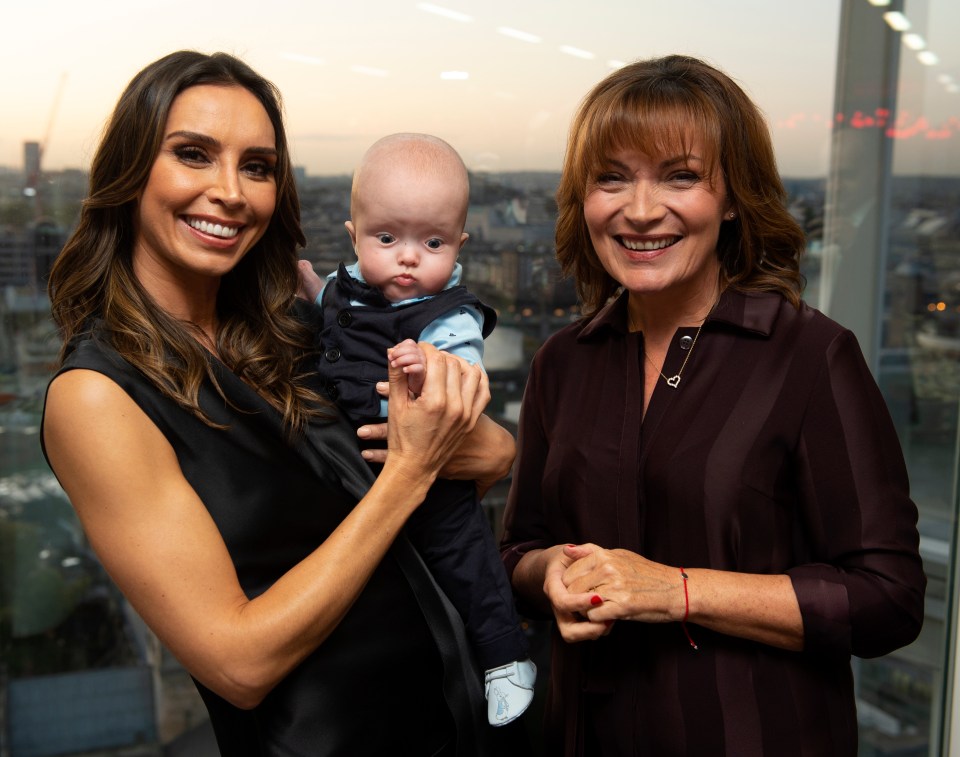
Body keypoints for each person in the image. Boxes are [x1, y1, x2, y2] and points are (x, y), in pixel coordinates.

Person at [41, 50, 521, 756]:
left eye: (258, 166)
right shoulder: (97, 397)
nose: (231, 192)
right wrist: (410, 474)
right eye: (194, 155)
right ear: (131, 170)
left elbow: (474, 453)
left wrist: (492, 447)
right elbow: (239, 663)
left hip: (458, 722)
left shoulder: (291, 331)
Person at [499, 54, 926, 756]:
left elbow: (888, 596)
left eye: (680, 175)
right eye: (612, 177)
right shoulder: (563, 362)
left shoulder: (810, 357)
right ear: (583, 199)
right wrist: (547, 574)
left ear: (731, 197)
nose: (640, 209)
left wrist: (679, 590)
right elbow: (519, 546)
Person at [297, 133, 537, 727]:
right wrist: (311, 290)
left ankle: (506, 660)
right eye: (387, 239)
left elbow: (462, 381)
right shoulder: (352, 287)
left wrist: (426, 368)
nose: (408, 258)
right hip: (365, 474)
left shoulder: (447, 317)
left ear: (459, 246)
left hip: (432, 478)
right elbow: (335, 298)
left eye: (432, 242)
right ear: (354, 239)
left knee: (466, 561)